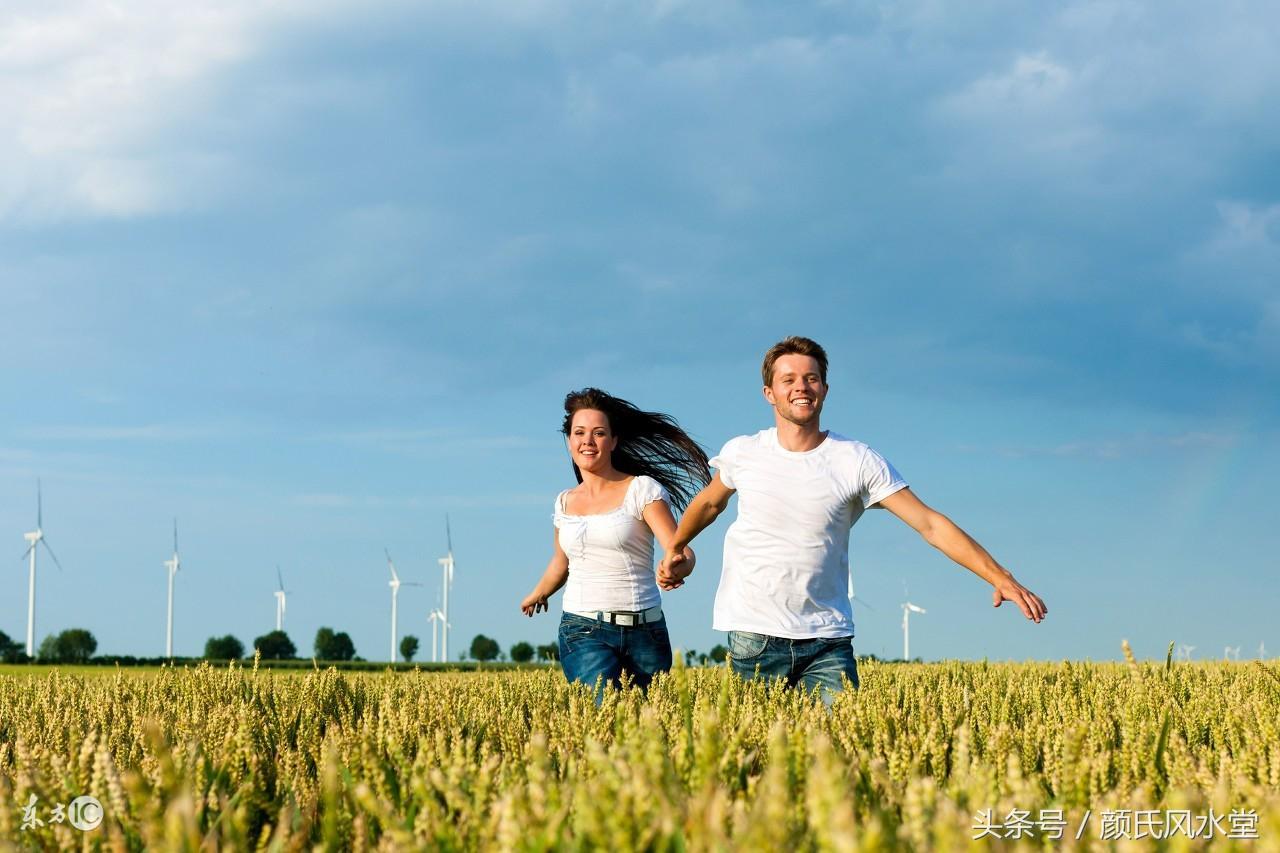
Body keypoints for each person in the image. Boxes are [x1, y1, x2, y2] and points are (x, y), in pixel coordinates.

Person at [657, 336, 1047, 697]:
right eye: (788, 379)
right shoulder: (745, 452)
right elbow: (710, 503)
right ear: (769, 393)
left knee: (840, 754)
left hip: (828, 640)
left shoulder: (857, 460)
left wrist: (1000, 576)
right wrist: (676, 548)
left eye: (812, 378)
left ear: (824, 389)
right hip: (755, 636)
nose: (801, 387)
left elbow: (929, 523)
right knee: (756, 758)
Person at [521, 388, 710, 693]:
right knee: (604, 715)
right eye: (579, 432)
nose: (588, 440)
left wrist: (677, 567)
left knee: (645, 730)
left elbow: (680, 549)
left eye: (599, 433)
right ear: (569, 441)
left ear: (613, 441)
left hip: (646, 633)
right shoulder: (563, 502)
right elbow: (561, 562)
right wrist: (539, 592)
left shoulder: (641, 489)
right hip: (582, 629)